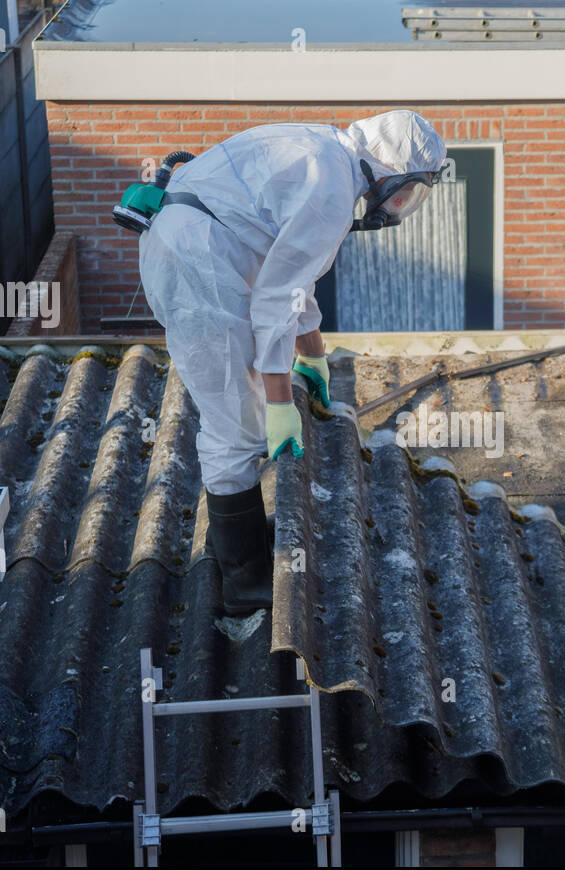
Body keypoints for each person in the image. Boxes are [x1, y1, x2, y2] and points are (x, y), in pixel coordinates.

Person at [138, 110, 447, 614]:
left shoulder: (330, 156)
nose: (397, 205)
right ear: (386, 168)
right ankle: (243, 581)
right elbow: (278, 299)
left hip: (202, 250)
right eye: (404, 191)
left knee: (245, 413)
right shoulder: (330, 191)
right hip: (195, 265)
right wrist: (282, 403)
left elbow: (295, 278)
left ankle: (237, 536)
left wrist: (314, 357)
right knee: (237, 426)